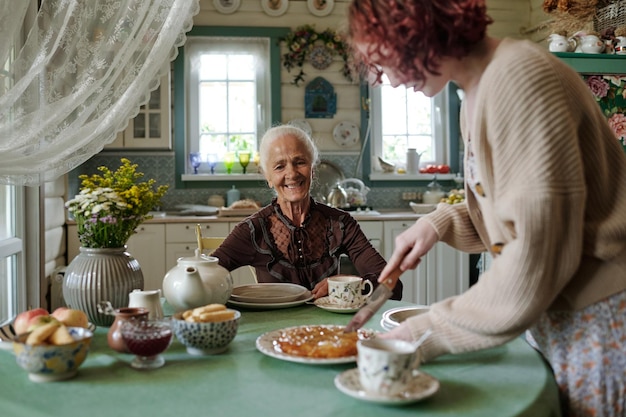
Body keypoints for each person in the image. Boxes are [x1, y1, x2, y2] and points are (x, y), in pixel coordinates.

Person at [346, 1, 626, 416]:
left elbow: (536, 255)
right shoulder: (477, 92)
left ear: (420, 31)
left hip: (600, 320)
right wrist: (438, 224)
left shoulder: (519, 80)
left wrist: (422, 333)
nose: (389, 79)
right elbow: (513, 211)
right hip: (563, 314)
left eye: (388, 58)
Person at [212, 125, 402, 301]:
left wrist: (347, 284)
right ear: (267, 177)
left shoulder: (340, 223)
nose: (292, 173)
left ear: (312, 169)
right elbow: (207, 276)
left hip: (331, 331)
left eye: (299, 162)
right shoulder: (253, 229)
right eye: (279, 166)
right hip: (275, 332)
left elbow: (394, 286)